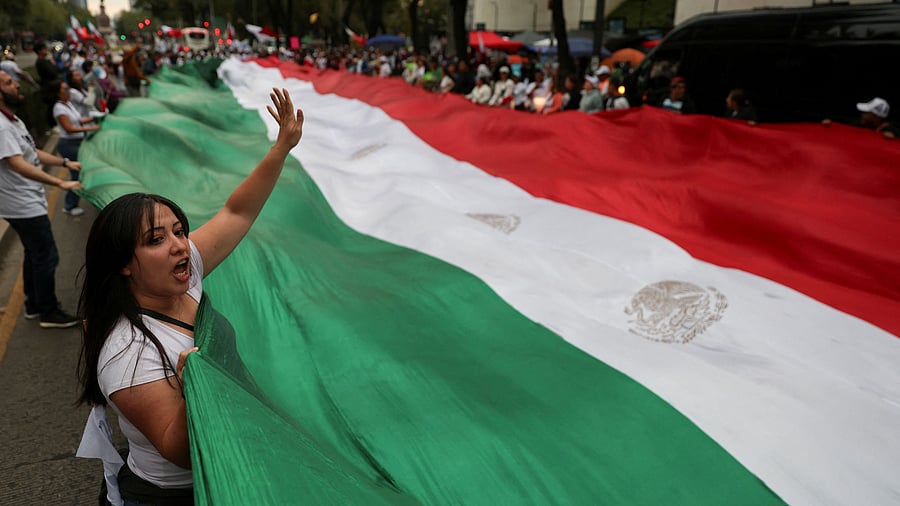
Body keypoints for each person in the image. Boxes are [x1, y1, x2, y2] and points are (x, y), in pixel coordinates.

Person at [76, 88, 303, 503]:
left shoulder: (183, 273)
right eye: (156, 239)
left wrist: (281, 148)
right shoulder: (126, 351)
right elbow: (178, 451)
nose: (180, 245)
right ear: (124, 263)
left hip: (232, 463)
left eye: (179, 231)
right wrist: (190, 389)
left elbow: (236, 212)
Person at [0, 70, 83, 328]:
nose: (16, 84)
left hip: (25, 201)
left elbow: (32, 152)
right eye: (8, 83)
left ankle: (34, 303)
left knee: (34, 252)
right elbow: (17, 163)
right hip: (22, 205)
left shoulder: (12, 120)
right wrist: (59, 182)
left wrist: (64, 162)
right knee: (47, 256)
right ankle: (48, 311)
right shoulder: (2, 126)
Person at [51, 79, 100, 216]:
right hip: (69, 144)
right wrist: (92, 128)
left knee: (80, 173)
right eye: (65, 89)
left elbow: (77, 121)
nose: (69, 92)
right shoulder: (59, 108)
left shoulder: (68, 104)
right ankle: (69, 205)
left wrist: (93, 119)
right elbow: (69, 128)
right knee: (77, 175)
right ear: (58, 93)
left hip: (78, 142)